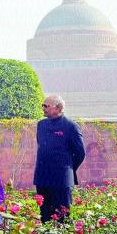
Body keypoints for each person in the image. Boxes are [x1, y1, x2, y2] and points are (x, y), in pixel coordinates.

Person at [33, 95, 85, 223]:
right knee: (44, 215)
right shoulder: (41, 125)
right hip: (43, 177)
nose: (43, 108)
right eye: (42, 105)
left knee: (62, 216)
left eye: (46, 106)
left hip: (61, 179)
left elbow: (80, 153)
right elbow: (42, 146)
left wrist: (68, 168)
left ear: (59, 108)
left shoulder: (70, 126)